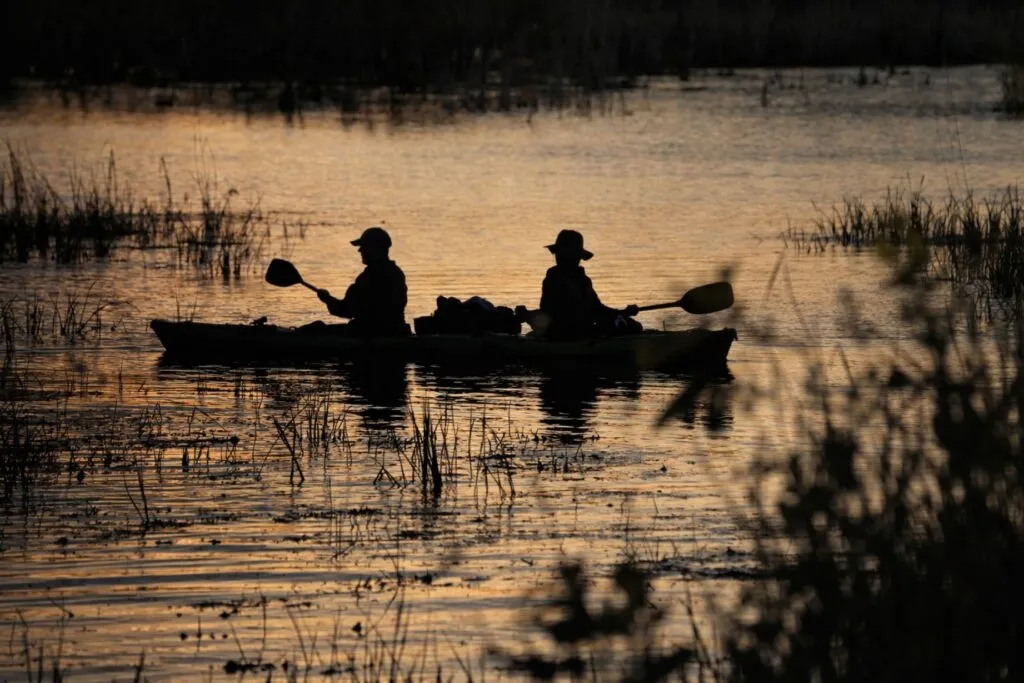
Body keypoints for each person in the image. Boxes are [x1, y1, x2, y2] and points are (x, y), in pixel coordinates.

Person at [516, 229, 640, 339]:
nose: (558, 257)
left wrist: (623, 312)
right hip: (567, 333)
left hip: (578, 331)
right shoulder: (556, 279)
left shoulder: (580, 280)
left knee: (632, 325)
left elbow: (597, 309)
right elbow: (553, 312)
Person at [316, 226, 410, 336]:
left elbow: (347, 310)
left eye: (364, 246)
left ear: (376, 249)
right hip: (396, 330)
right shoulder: (396, 273)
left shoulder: (368, 278)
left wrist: (327, 299)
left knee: (316, 329)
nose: (360, 250)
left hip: (371, 333)